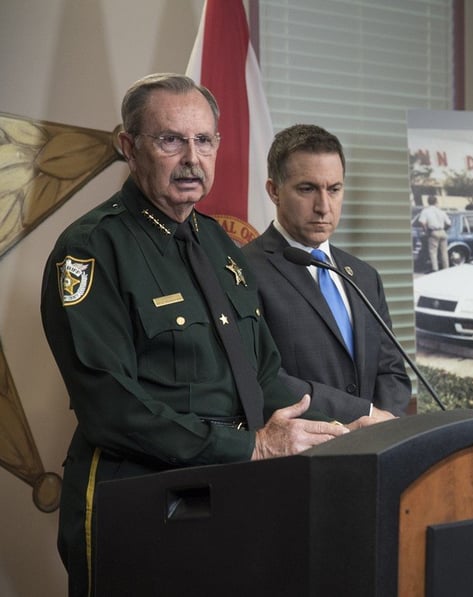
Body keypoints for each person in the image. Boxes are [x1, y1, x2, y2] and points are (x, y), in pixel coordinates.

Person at [40, 74, 357, 597]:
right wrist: (248, 448)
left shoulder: (218, 241)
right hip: (140, 497)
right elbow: (112, 408)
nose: (191, 157)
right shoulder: (92, 247)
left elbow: (261, 375)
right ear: (129, 147)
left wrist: (355, 420)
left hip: (230, 489)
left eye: (204, 140)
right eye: (171, 140)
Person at [242, 124, 411, 423]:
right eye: (307, 189)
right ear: (274, 191)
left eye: (334, 189)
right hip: (300, 455)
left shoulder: (364, 276)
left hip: (375, 450)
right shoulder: (245, 271)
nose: (323, 206)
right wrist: (363, 415)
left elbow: (391, 369)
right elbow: (264, 377)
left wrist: (383, 423)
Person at [415, 194, 451, 271]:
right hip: (442, 231)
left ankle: (435, 269)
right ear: (436, 202)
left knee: (433, 252)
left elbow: (422, 222)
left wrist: (426, 231)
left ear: (428, 202)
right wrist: (444, 229)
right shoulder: (441, 211)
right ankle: (446, 268)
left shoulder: (426, 211)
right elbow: (449, 223)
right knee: (444, 252)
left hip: (433, 232)